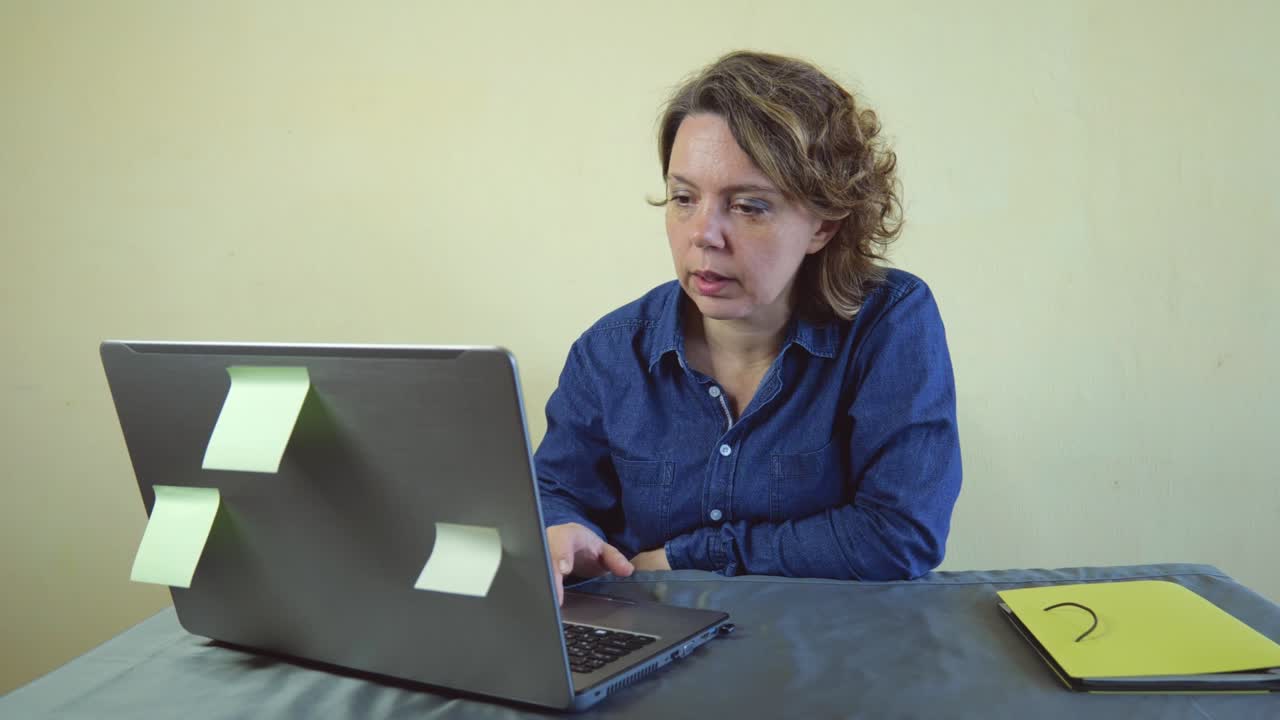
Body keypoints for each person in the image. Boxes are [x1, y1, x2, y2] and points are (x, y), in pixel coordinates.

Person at [535, 50, 961, 603]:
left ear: (823, 225)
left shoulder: (889, 322)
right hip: (651, 648)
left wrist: (689, 556)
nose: (703, 234)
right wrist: (562, 532)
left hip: (831, 655)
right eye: (684, 198)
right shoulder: (610, 352)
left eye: (749, 206)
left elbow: (901, 534)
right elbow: (555, 493)